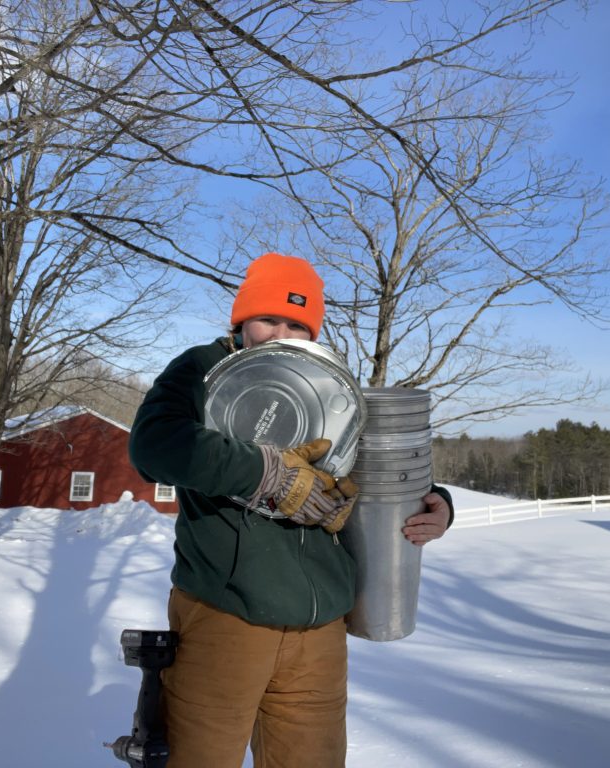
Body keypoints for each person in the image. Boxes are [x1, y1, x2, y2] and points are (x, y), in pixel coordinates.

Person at [128, 252, 454, 768]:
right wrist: (265, 472)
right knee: (200, 758)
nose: (282, 334)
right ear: (240, 321)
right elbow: (153, 446)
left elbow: (370, 466)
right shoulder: (202, 368)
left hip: (320, 624)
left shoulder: (326, 382)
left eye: (297, 324)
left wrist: (438, 503)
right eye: (268, 319)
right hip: (225, 614)